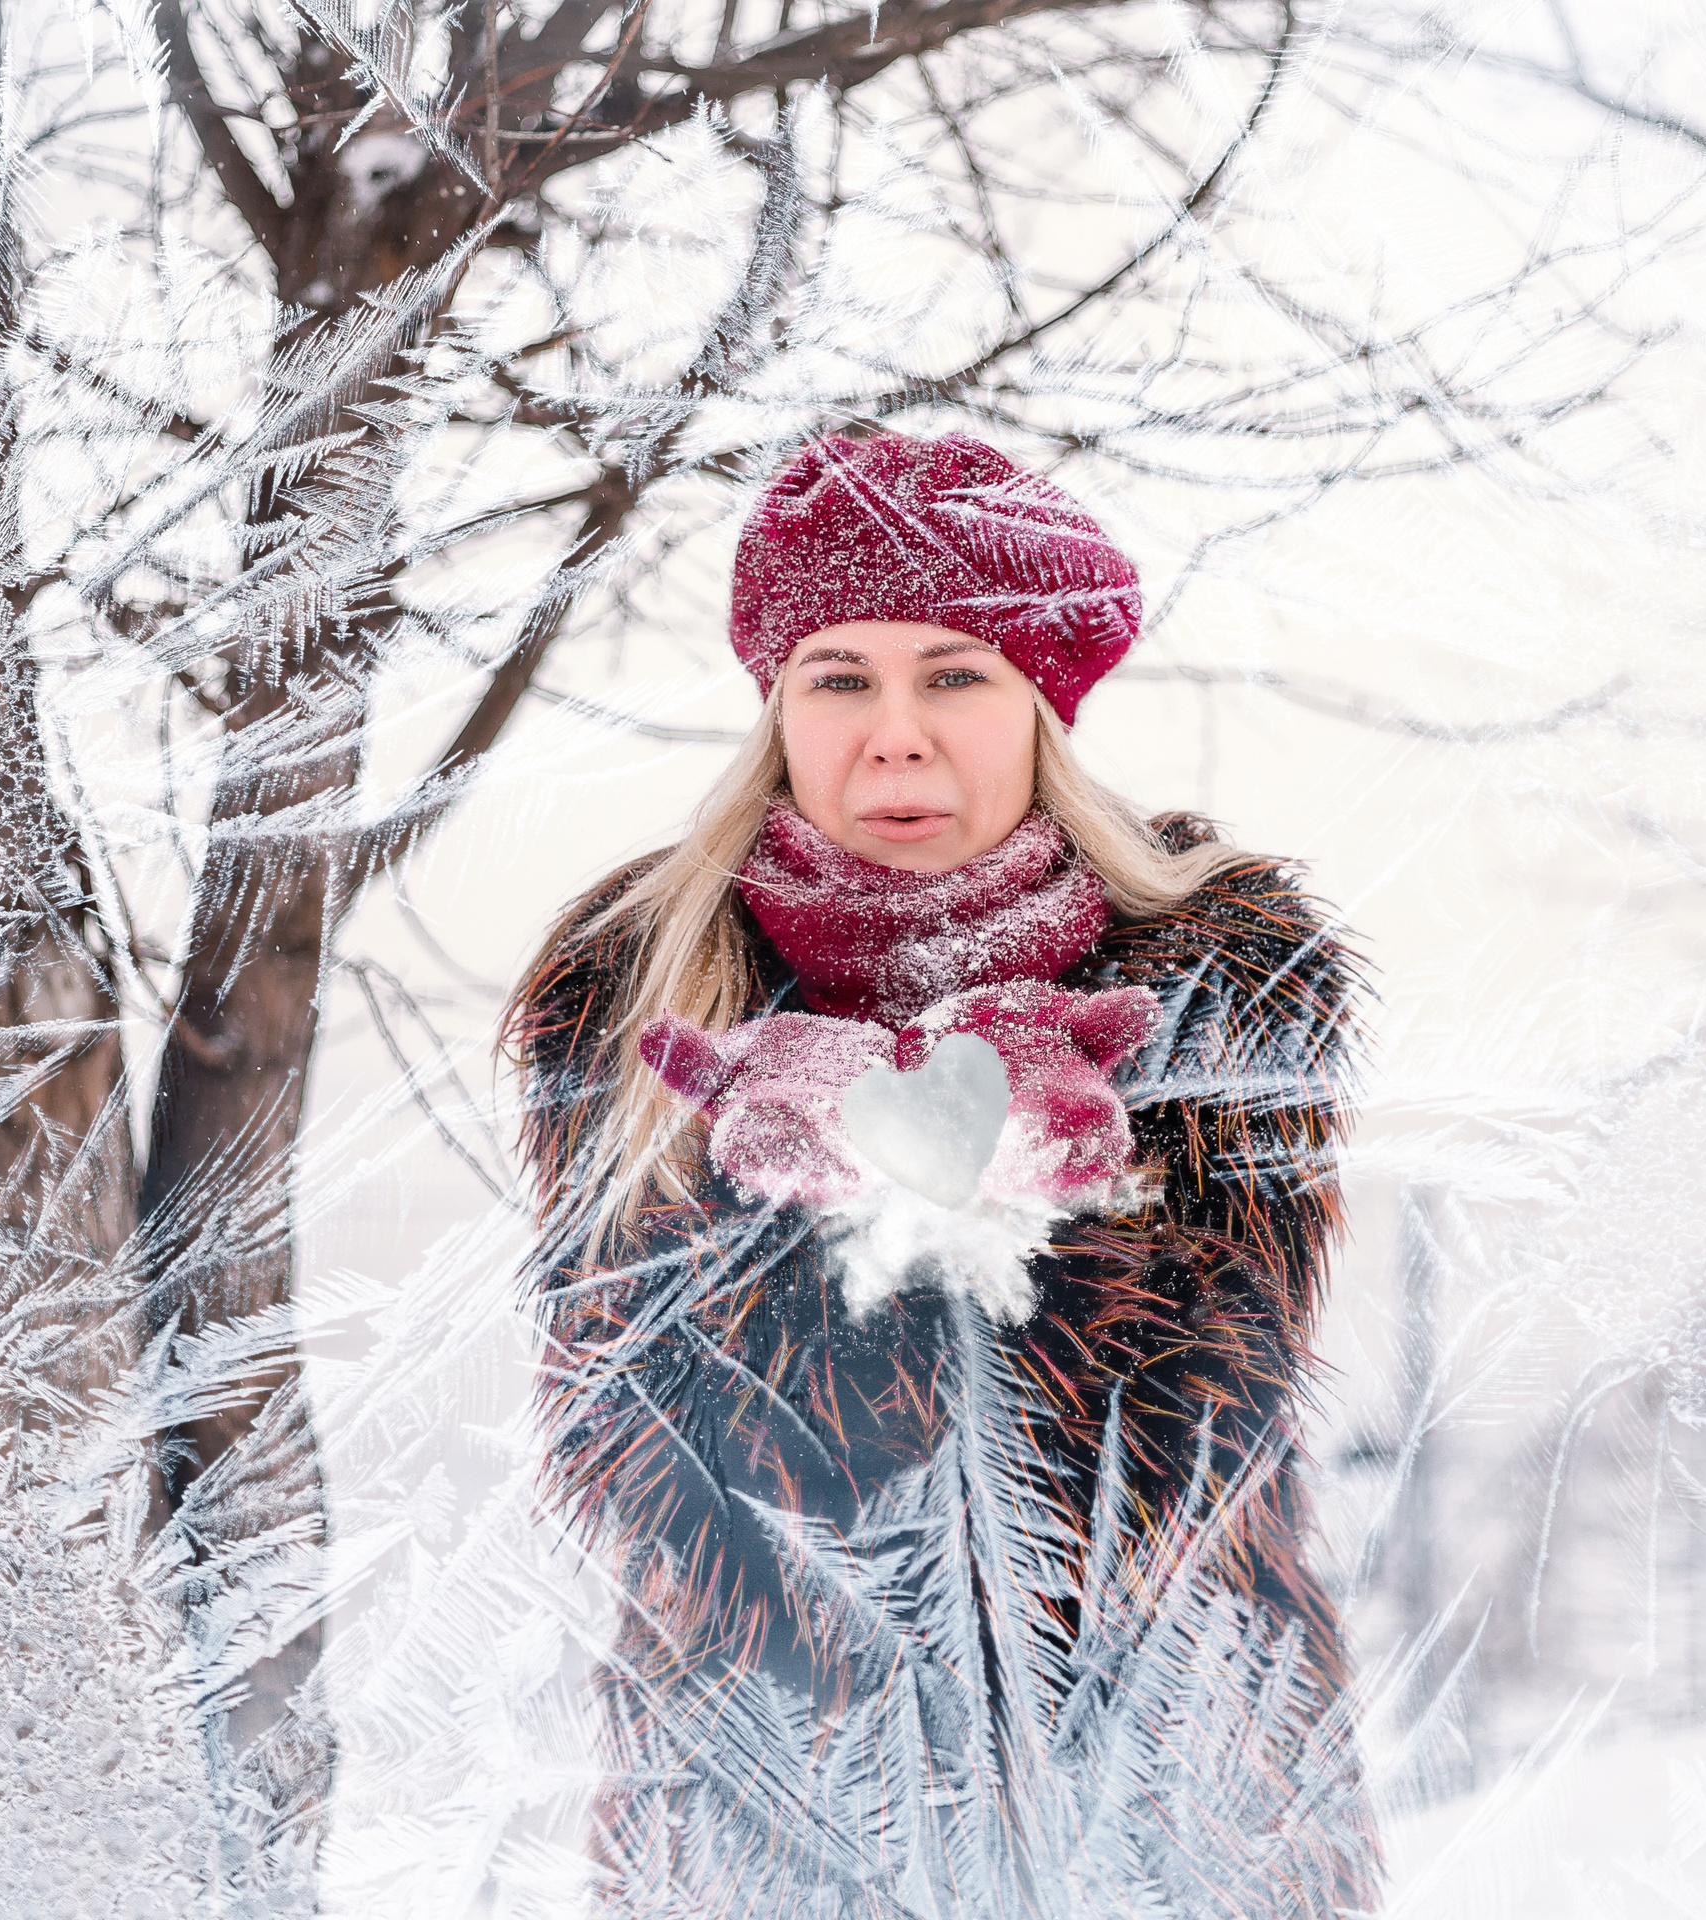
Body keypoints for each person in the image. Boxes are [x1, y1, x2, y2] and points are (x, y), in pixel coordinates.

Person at [503, 432, 1378, 1918]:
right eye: (839, 676)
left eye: (955, 674)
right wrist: (798, 1184)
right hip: (769, 1827)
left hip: (1178, 1821)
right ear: (778, 708)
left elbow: (1210, 1424)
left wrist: (1037, 1179)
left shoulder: (1206, 991)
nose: (894, 735)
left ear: (1040, 705)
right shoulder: (651, 1005)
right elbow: (641, 1456)